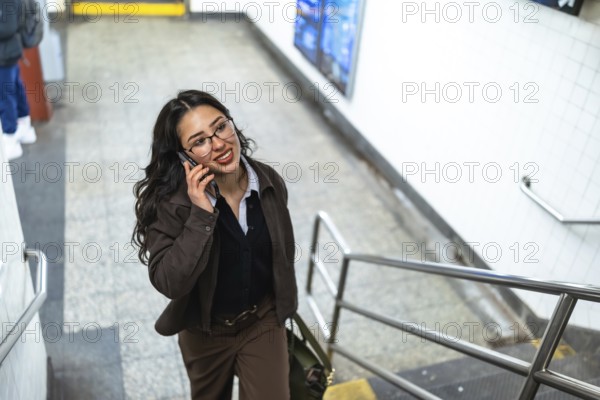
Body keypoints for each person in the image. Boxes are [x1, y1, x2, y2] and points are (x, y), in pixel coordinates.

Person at [132, 90, 298, 399]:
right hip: (205, 331)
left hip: (261, 321)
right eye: (199, 141)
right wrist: (200, 215)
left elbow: (280, 254)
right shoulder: (172, 206)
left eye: (220, 126)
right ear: (183, 156)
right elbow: (169, 282)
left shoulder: (269, 182)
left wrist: (281, 308)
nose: (219, 144)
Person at [0, 0, 38, 161]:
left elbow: (7, 28)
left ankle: (10, 137)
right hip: (9, 51)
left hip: (5, 54)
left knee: (5, 95)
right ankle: (25, 127)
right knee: (14, 86)